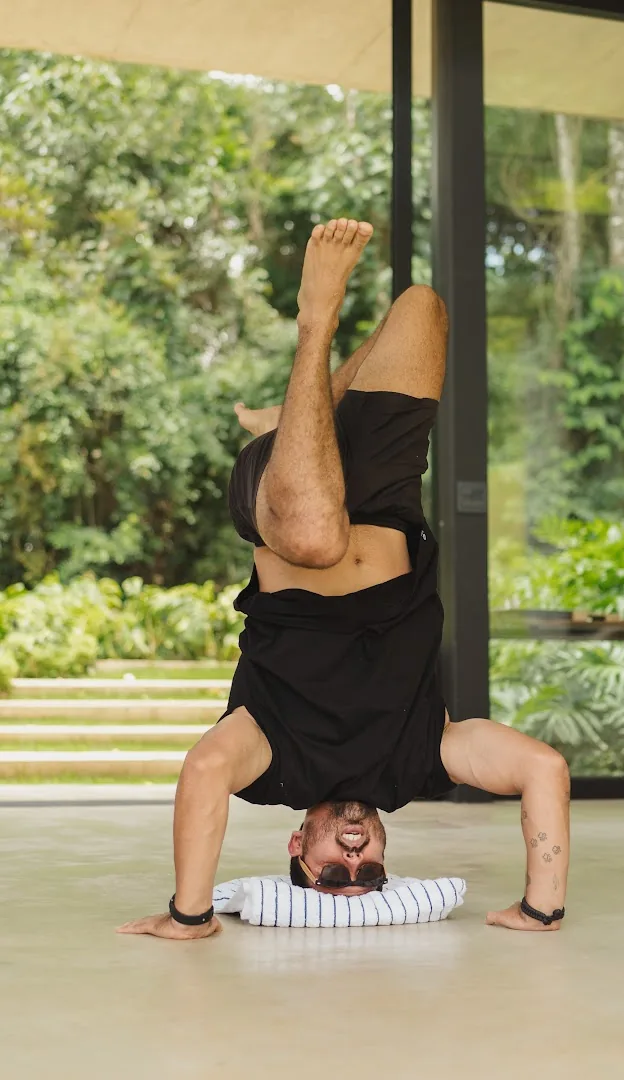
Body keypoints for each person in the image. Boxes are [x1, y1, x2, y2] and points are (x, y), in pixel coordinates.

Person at [117, 218, 571, 941]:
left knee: (316, 539)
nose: (354, 859)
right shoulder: (417, 764)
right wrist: (541, 908)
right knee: (420, 307)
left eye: (332, 874)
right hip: (384, 494)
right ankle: (312, 405)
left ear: (297, 844)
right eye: (371, 874)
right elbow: (543, 767)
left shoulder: (275, 768)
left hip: (283, 501)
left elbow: (203, 772)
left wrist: (190, 915)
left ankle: (313, 328)